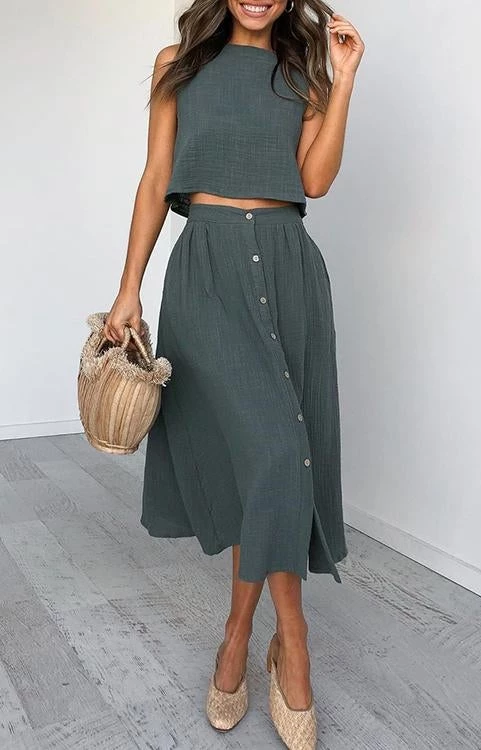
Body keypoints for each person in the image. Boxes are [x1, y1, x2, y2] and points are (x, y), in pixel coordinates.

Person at [104, 1, 364, 747]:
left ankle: (241, 637)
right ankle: (292, 640)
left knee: (269, 464)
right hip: (208, 273)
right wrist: (128, 287)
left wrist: (343, 79)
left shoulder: (306, 74)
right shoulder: (177, 67)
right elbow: (157, 177)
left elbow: (315, 180)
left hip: (287, 269)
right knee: (275, 455)